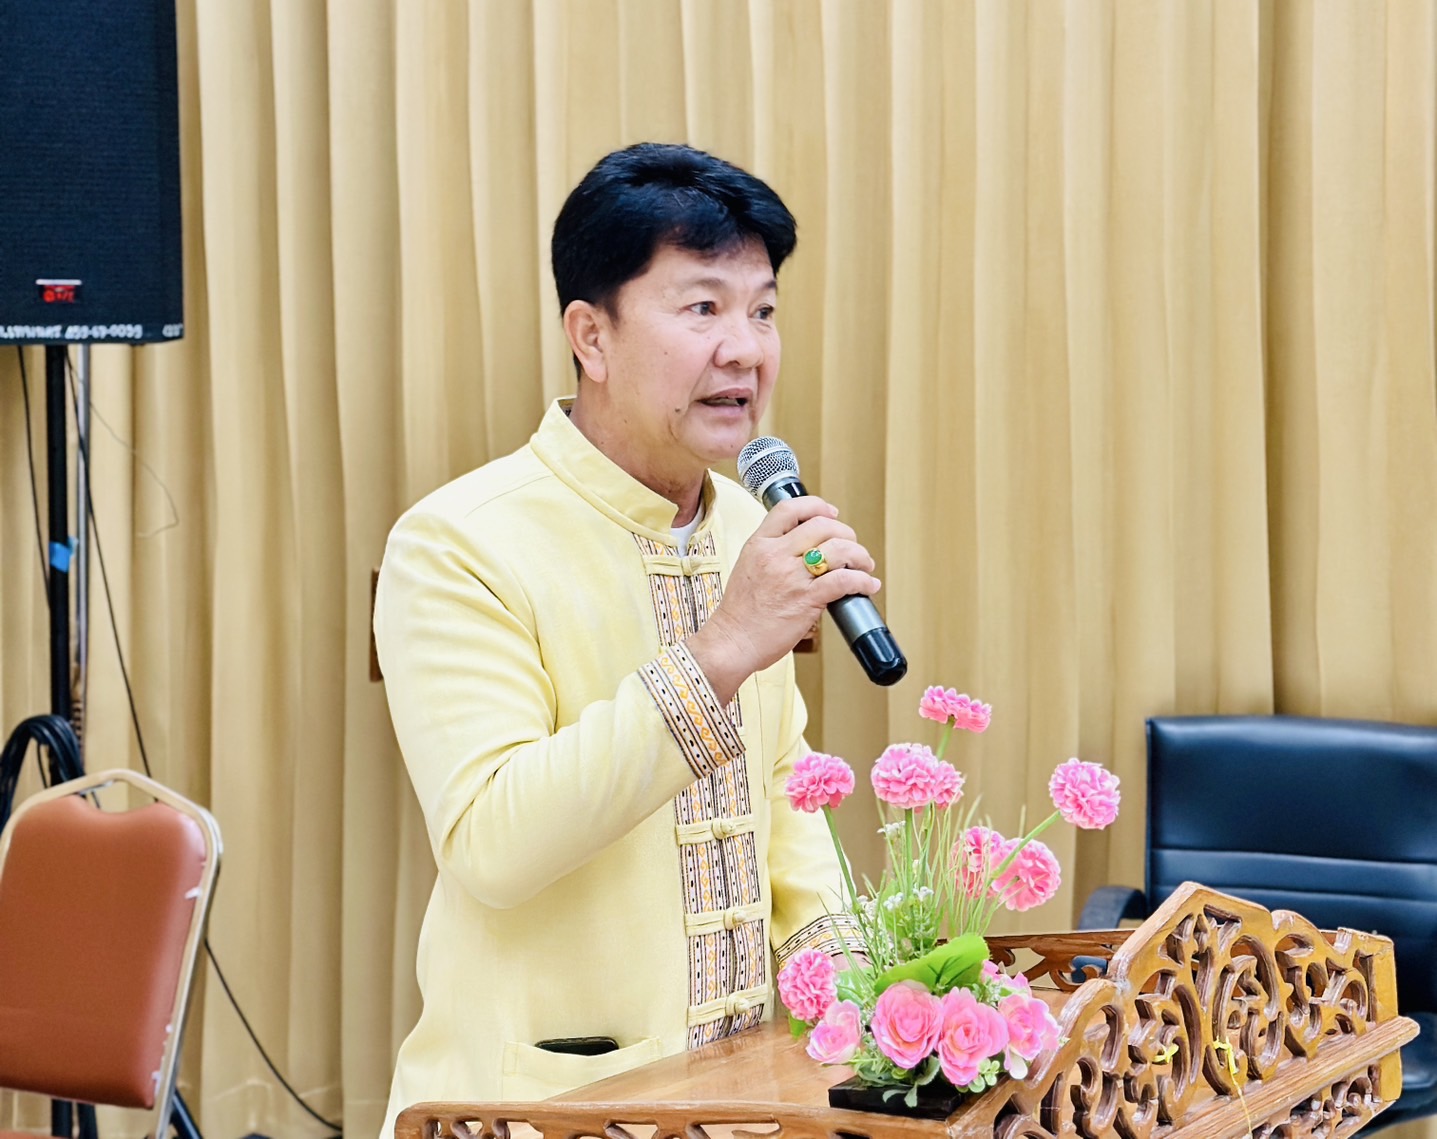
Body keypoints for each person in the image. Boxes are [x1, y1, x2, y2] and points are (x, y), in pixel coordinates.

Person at [374, 142, 883, 1134]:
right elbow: (493, 842)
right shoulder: (456, 540)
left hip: (742, 1101)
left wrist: (862, 1004)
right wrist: (721, 649)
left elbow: (785, 793)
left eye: (762, 310)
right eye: (702, 308)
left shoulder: (748, 528)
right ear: (591, 336)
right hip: (546, 1103)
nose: (744, 349)